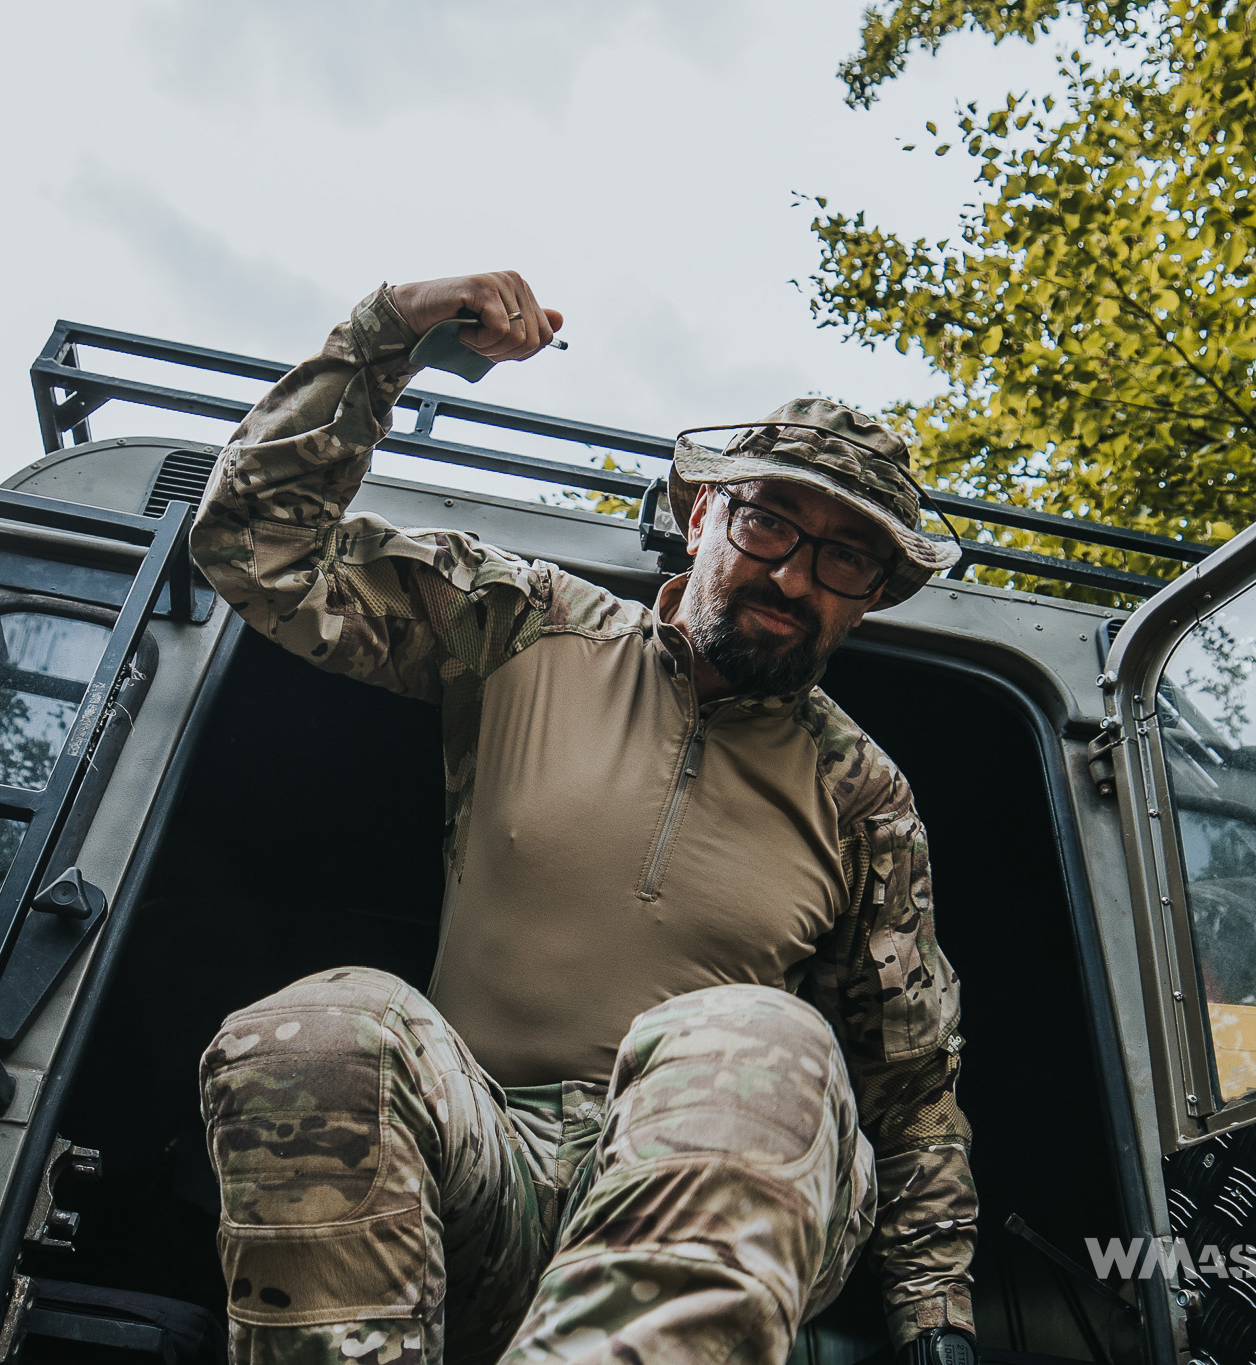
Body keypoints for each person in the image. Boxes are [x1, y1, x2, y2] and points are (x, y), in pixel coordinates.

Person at [191, 270, 977, 1365]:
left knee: (759, 1032)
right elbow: (256, 548)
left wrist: (937, 1321)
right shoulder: (523, 626)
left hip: (724, 1210)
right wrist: (394, 331)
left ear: (871, 594)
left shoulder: (861, 797)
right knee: (321, 1025)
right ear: (704, 514)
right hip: (480, 1181)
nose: (791, 576)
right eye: (767, 523)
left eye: (843, 557)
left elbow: (911, 1089)